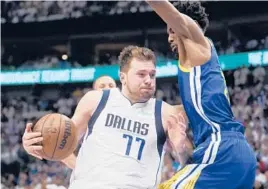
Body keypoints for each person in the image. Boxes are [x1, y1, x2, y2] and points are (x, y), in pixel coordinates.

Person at [22, 45, 188, 189]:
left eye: (152, 75)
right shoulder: (96, 99)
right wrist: (37, 144)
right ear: (122, 77)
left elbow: (188, 163)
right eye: (141, 74)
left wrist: (180, 149)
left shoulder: (166, 113)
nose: (148, 80)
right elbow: (63, 144)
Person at [145, 1, 257, 189]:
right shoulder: (192, 85)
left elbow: (171, 13)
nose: (169, 38)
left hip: (223, 151)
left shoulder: (199, 43)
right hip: (225, 155)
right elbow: (188, 160)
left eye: (172, 30)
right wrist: (181, 148)